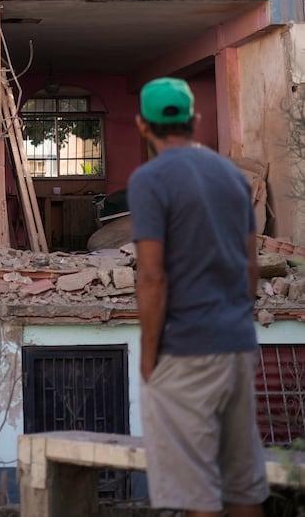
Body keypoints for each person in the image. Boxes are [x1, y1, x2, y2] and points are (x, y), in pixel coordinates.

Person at [128, 76, 268, 517]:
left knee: (197, 494)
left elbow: (152, 277)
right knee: (243, 486)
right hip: (238, 346)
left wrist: (149, 356)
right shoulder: (232, 175)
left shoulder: (150, 180)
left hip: (186, 352)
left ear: (141, 126)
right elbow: (251, 269)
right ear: (196, 120)